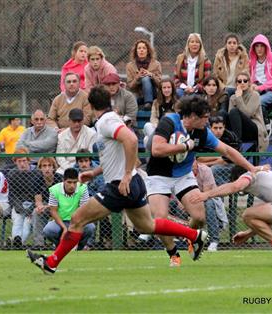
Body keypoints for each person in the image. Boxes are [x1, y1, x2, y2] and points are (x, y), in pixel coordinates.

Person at [27, 86, 208, 274]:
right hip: (133, 183)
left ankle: (51, 263)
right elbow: (116, 154)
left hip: (121, 185)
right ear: (109, 102)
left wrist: (127, 175)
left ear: (90, 105)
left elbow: (130, 140)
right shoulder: (110, 118)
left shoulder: (106, 121)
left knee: (77, 219)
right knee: (148, 225)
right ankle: (195, 235)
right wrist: (96, 172)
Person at [146, 95, 259, 267]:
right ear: (192, 116)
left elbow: (227, 151)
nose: (207, 122)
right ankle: (173, 254)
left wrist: (251, 168)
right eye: (204, 117)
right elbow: (156, 149)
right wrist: (184, 146)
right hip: (159, 176)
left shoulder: (202, 132)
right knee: (160, 218)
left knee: (199, 217)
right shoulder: (169, 122)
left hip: (183, 176)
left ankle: (192, 238)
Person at [43, 168, 94, 250]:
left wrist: (73, 228)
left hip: (77, 221)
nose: (72, 186)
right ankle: (60, 247)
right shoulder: (54, 189)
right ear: (63, 180)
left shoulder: (83, 188)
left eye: (74, 182)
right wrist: (64, 228)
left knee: (90, 227)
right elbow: (53, 211)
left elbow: (83, 211)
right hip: (60, 222)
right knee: (48, 230)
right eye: (69, 182)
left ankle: (79, 248)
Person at [7, 148, 43, 249]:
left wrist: (30, 210)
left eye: (24, 160)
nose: (22, 164)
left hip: (32, 205)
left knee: (27, 222)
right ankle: (17, 240)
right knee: (18, 220)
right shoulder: (12, 174)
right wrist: (20, 208)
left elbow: (39, 194)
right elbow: (12, 196)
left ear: (28, 160)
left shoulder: (37, 173)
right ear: (15, 162)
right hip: (18, 205)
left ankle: (16, 242)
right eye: (19, 161)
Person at [248, 34, 272, 125]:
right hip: (255, 89)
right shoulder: (251, 62)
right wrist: (251, 85)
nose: (259, 49)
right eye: (257, 46)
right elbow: (247, 78)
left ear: (266, 47)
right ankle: (261, 125)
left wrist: (261, 87)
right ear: (253, 48)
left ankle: (266, 125)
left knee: (258, 102)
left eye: (262, 46)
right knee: (244, 103)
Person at [228, 71, 269, 152]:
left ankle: (237, 145)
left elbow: (248, 114)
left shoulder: (254, 95)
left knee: (234, 111)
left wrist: (239, 98)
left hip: (254, 127)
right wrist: (237, 97)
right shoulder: (233, 97)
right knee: (228, 113)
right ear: (236, 84)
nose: (242, 83)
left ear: (249, 83)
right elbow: (230, 115)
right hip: (238, 128)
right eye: (239, 81)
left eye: (245, 81)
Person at [192, 161, 227, 252]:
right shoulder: (182, 170)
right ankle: (180, 240)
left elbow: (205, 193)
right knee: (174, 205)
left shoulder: (205, 170)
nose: (192, 167)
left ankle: (214, 241)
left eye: (193, 164)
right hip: (189, 200)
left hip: (209, 198)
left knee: (209, 204)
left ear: (196, 163)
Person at [31, 157, 63, 250]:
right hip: (46, 205)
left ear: (54, 168)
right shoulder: (37, 180)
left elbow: (62, 200)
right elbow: (38, 200)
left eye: (50, 166)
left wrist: (48, 206)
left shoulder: (59, 179)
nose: (47, 168)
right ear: (40, 168)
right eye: (44, 166)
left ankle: (58, 242)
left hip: (59, 206)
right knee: (36, 212)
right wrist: (40, 207)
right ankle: (39, 244)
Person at [56, 108, 97, 175]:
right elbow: (60, 157)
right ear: (69, 121)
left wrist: (80, 167)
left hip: (85, 166)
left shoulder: (91, 133)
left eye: (79, 121)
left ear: (83, 120)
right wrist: (69, 169)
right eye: (74, 121)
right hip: (66, 167)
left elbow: (90, 154)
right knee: (58, 174)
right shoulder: (61, 136)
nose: (77, 124)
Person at [126, 39, 162, 110]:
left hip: (152, 94)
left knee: (146, 78)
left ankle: (148, 103)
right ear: (136, 51)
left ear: (148, 50)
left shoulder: (156, 64)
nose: (141, 50)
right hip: (137, 94)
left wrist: (151, 75)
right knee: (130, 102)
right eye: (139, 48)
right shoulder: (129, 66)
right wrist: (138, 77)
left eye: (144, 48)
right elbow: (130, 86)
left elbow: (160, 84)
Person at [143, 78, 179, 149]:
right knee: (147, 126)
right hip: (159, 128)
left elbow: (179, 119)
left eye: (169, 87)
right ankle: (160, 143)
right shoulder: (156, 102)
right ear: (161, 89)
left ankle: (159, 144)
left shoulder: (177, 103)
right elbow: (153, 117)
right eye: (164, 88)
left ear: (172, 89)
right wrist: (156, 125)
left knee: (147, 139)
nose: (166, 90)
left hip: (172, 130)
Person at [174, 33, 212, 98]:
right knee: (178, 93)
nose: (194, 44)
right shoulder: (180, 59)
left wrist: (195, 88)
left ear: (200, 45)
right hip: (183, 89)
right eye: (192, 42)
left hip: (199, 90)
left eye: (197, 42)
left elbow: (206, 80)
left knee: (193, 99)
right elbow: (176, 78)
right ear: (188, 45)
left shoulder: (206, 61)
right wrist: (185, 87)